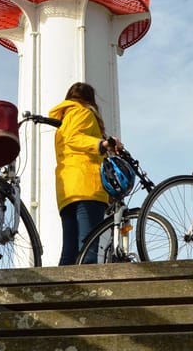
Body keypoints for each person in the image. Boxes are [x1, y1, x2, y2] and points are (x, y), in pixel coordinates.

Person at [47, 82, 122, 265]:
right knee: (88, 248)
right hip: (87, 185)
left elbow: (71, 140)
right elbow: (76, 138)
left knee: (69, 251)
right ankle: (88, 292)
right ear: (90, 99)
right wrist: (101, 144)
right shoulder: (83, 112)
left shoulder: (63, 121)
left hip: (67, 189)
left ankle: (59, 292)